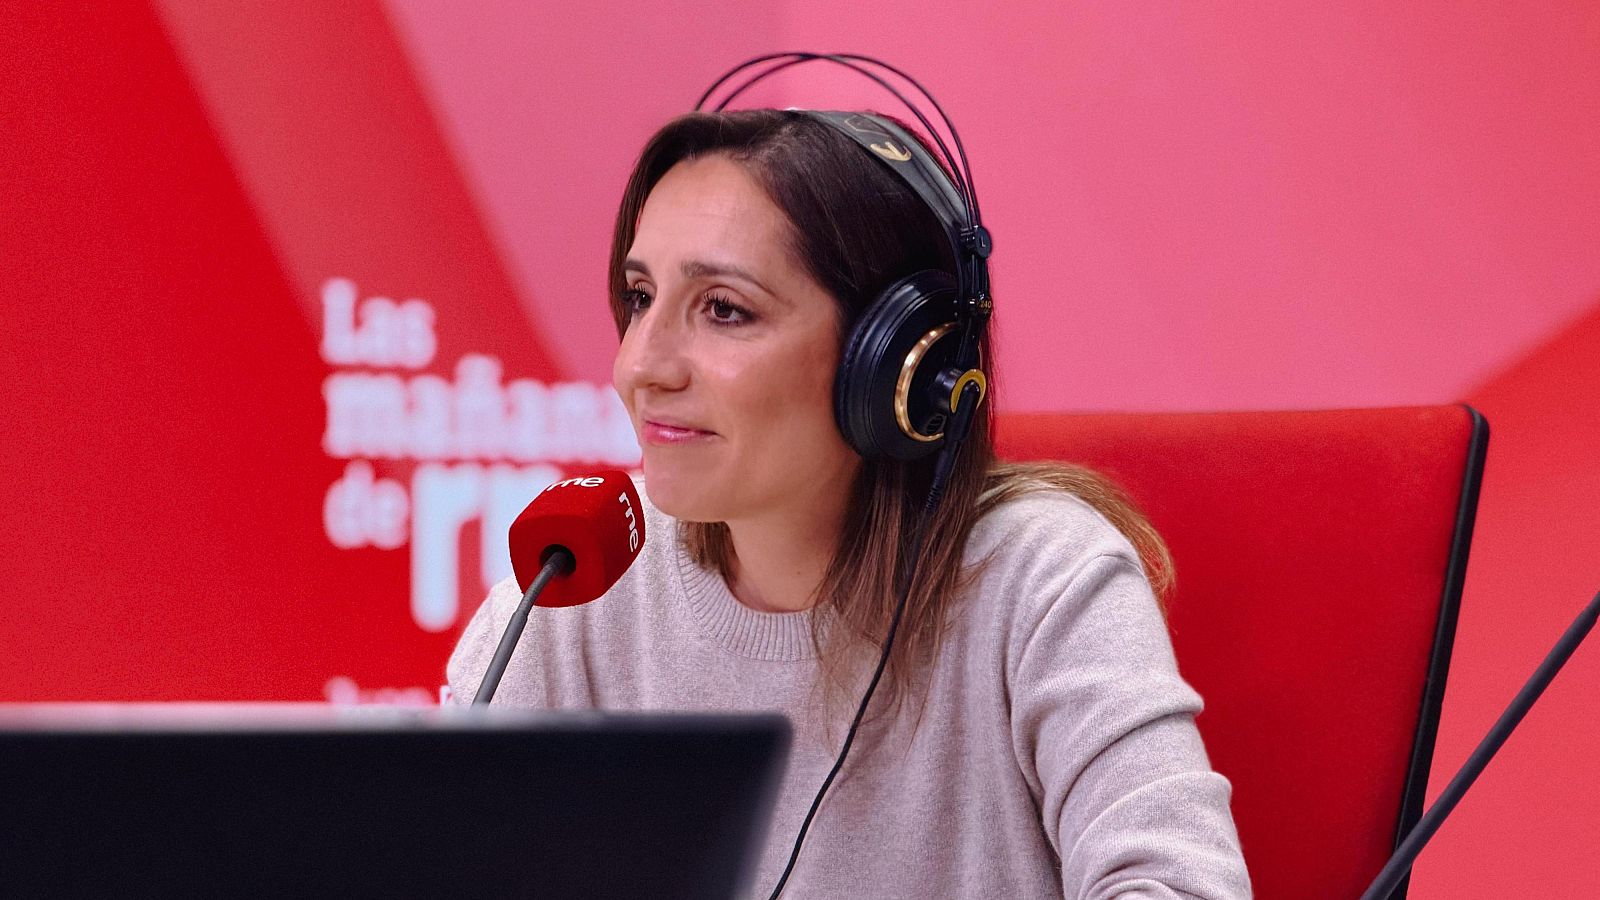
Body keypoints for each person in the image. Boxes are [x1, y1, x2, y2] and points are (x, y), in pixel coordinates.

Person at [448, 106, 1252, 898]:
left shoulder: (1039, 581)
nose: (641, 366)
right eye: (639, 297)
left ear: (896, 362)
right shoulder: (579, 576)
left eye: (724, 309)